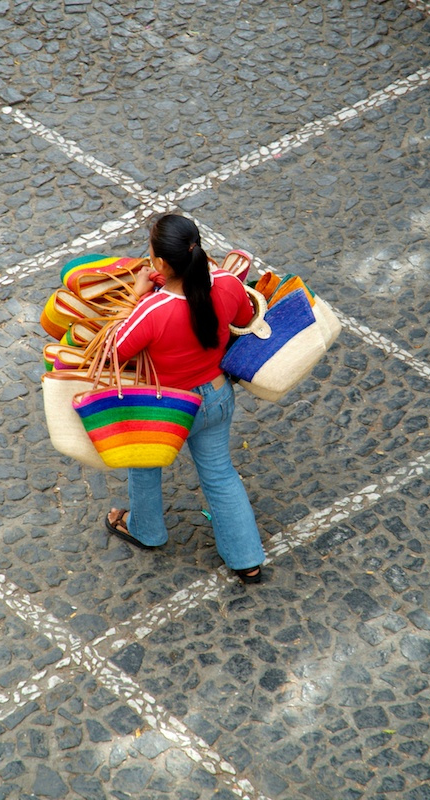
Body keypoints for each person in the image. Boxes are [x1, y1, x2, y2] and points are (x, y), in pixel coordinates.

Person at [105, 214, 266, 584]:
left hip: (167, 409)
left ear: (161, 264)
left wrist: (137, 293)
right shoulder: (228, 284)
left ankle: (145, 530)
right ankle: (247, 560)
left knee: (144, 466)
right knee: (220, 474)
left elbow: (115, 350)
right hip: (217, 397)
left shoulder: (151, 310)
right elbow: (243, 318)